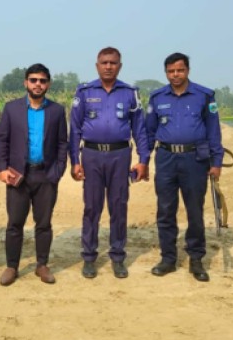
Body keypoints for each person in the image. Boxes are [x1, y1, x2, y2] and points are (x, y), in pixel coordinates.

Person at [69, 47, 151, 279]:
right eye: (104, 62)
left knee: (118, 207)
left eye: (113, 63)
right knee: (91, 207)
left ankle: (117, 256)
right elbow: (74, 129)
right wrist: (74, 161)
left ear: (119, 66)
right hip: (92, 155)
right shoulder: (85, 92)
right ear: (97, 66)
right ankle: (89, 257)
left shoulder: (130, 93)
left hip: (120, 155)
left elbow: (140, 130)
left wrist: (143, 160)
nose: (108, 66)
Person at [145, 52, 223, 282]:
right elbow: (149, 132)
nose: (175, 75)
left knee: (195, 210)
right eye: (171, 71)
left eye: (179, 70)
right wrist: (143, 160)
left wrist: (216, 162)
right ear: (166, 73)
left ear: (188, 70)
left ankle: (196, 259)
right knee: (165, 210)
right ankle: (168, 258)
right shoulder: (157, 97)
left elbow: (214, 131)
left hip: (195, 159)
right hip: (166, 158)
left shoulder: (204, 96)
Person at [0, 63, 68, 286]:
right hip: (18, 175)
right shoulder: (12, 109)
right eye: (34, 80)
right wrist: (2, 168)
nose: (38, 84)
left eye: (42, 81)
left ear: (48, 84)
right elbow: (2, 140)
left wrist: (57, 171)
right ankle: (12, 266)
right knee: (15, 223)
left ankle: (42, 265)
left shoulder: (56, 111)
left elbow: (62, 143)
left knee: (43, 223)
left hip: (46, 175)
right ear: (26, 82)